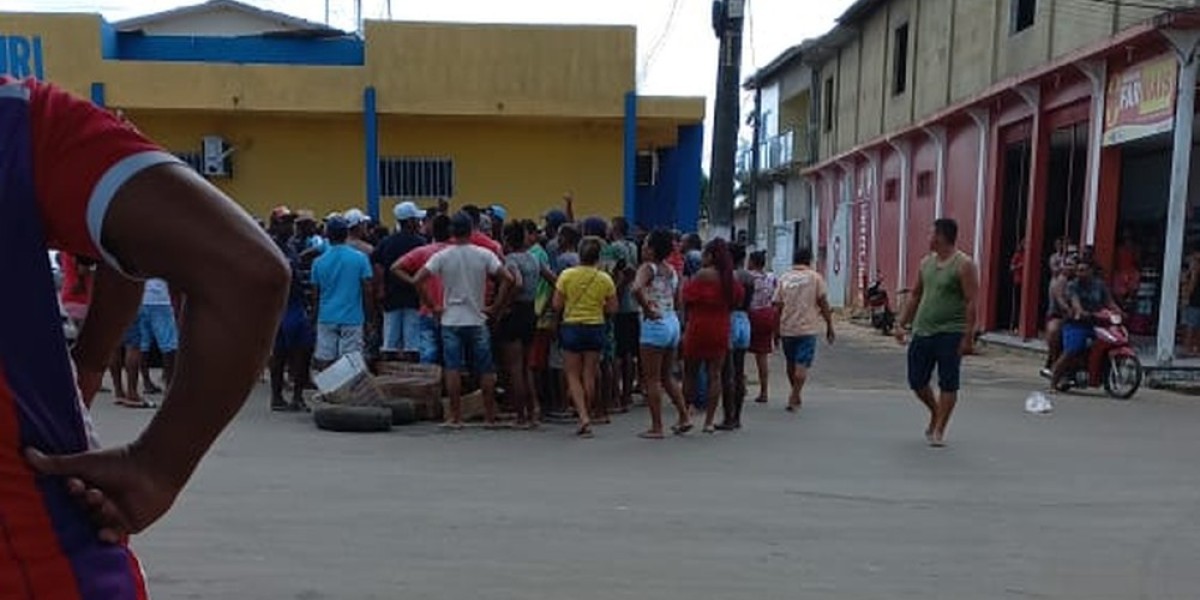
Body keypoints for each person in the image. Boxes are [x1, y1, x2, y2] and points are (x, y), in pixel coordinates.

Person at [2, 76, 288, 598]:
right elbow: (245, 271)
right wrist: (157, 465)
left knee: (142, 354)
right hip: (37, 562)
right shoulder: (17, 121)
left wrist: (89, 361)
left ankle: (126, 387)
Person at [405, 212, 515, 428]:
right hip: (477, 317)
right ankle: (490, 416)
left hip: (451, 318)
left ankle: (455, 417)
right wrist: (496, 307)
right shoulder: (483, 254)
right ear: (471, 231)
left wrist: (433, 305)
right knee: (485, 369)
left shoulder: (443, 256)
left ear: (451, 232)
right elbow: (508, 279)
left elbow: (417, 280)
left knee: (452, 368)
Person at [895, 219, 979, 448]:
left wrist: (968, 337)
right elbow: (915, 295)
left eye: (930, 234)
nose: (928, 238)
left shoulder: (964, 264)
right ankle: (935, 411)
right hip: (923, 331)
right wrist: (901, 323)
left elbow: (971, 301)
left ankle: (939, 428)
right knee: (917, 380)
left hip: (951, 332)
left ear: (940, 237)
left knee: (948, 382)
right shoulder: (926, 263)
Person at [554, 236, 618, 438]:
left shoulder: (566, 275)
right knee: (589, 373)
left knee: (572, 375)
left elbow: (556, 305)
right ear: (598, 256)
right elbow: (612, 308)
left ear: (579, 255)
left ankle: (583, 416)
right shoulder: (605, 278)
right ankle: (588, 411)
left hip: (572, 326)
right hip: (595, 327)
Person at [633, 229, 691, 439]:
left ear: (652, 248)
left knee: (652, 379)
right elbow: (678, 300)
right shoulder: (672, 270)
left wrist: (647, 309)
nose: (643, 247)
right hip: (671, 321)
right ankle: (684, 416)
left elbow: (635, 288)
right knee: (667, 376)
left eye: (646, 243)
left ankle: (657, 426)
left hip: (655, 325)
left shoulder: (647, 268)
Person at [681, 238, 744, 434]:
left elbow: (686, 297)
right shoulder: (729, 279)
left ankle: (685, 416)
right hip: (720, 328)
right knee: (715, 375)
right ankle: (709, 421)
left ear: (710, 256)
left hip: (698, 326)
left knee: (690, 373)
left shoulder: (702, 275)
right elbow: (737, 301)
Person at [773, 247, 835, 413]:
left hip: (787, 328)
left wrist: (775, 329)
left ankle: (794, 395)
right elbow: (823, 302)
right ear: (810, 260)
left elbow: (777, 306)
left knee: (791, 364)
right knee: (801, 366)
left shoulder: (784, 278)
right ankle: (795, 393)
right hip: (807, 329)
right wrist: (829, 325)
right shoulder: (816, 278)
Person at [267, 206, 315, 412]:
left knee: (302, 351)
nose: (290, 226)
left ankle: (297, 396)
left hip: (295, 304)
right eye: (285, 222)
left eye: (290, 222)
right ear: (276, 224)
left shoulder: (291, 248)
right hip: (280, 306)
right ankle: (277, 397)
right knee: (280, 354)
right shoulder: (270, 247)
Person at [310, 216, 375, 369]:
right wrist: (369, 318)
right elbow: (367, 290)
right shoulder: (360, 259)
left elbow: (315, 295)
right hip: (352, 318)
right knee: (351, 363)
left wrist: (314, 318)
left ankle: (329, 390)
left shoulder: (318, 262)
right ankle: (348, 392)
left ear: (327, 235)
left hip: (326, 317)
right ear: (346, 234)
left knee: (325, 361)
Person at [1049, 259, 1122, 391]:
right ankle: (1054, 380)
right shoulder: (1073, 285)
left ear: (1091, 271)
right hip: (1077, 324)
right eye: (1078, 270)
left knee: (1114, 339)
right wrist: (1080, 311)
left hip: (1098, 323)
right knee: (1072, 349)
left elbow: (1109, 302)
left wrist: (1119, 312)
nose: (1079, 273)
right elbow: (1075, 301)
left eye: (1083, 270)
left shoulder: (1100, 285)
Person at [496, 221, 542, 427]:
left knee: (514, 367)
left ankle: (520, 414)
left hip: (515, 312)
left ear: (507, 239)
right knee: (526, 366)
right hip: (531, 310)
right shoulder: (534, 258)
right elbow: (553, 279)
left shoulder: (510, 260)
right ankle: (534, 410)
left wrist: (503, 305)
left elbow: (517, 283)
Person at [392, 214, 453, 364]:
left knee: (428, 355)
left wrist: (413, 281)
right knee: (453, 357)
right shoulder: (458, 252)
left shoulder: (423, 252)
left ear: (433, 232)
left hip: (428, 309)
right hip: (453, 311)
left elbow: (395, 267)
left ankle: (429, 384)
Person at [373, 201, 428, 360]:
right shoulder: (420, 243)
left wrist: (381, 287)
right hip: (414, 297)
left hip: (391, 297)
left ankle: (389, 373)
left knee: (390, 340)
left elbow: (377, 264)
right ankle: (411, 374)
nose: (419, 222)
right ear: (410, 221)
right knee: (412, 343)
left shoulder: (386, 242)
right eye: (416, 219)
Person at [123, 277, 180, 409]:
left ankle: (138, 386)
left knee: (138, 345)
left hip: (139, 298)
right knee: (169, 345)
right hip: (160, 300)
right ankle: (169, 387)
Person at [719, 243, 756, 430]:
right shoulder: (749, 277)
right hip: (745, 320)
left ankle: (728, 417)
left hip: (731, 319)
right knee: (739, 371)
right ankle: (737, 417)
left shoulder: (729, 277)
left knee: (727, 372)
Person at [608, 216, 641, 412]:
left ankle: (616, 395)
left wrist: (614, 293)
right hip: (632, 306)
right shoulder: (633, 247)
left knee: (618, 354)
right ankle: (627, 393)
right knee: (629, 353)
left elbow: (618, 274)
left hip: (620, 305)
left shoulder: (614, 249)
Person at [746, 250, 778, 403]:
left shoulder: (747, 277)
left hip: (751, 314)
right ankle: (764, 390)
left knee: (739, 352)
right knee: (762, 355)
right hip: (767, 313)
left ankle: (740, 384)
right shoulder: (771, 278)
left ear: (752, 262)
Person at [1041, 254, 1076, 377]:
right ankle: (1052, 361)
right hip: (1058, 316)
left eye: (1072, 265)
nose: (1070, 268)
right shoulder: (1060, 281)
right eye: (1067, 265)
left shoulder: (1078, 281)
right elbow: (1060, 299)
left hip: (1075, 317)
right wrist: (1068, 309)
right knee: (1055, 331)